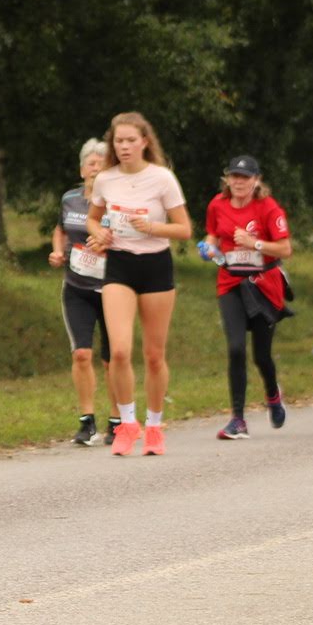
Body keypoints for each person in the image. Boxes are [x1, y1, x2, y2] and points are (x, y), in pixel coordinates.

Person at [85, 112, 191, 457]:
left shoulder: (162, 179)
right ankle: (127, 424)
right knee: (118, 351)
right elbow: (92, 219)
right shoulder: (105, 179)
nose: (125, 146)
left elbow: (184, 229)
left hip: (156, 267)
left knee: (154, 356)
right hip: (119, 265)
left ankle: (155, 426)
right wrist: (99, 233)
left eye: (131, 140)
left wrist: (152, 228)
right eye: (119, 141)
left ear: (145, 141)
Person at [202, 156, 292, 440]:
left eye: (245, 177)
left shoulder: (268, 208)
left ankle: (273, 395)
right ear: (227, 179)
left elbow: (285, 249)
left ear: (256, 180)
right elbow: (213, 234)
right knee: (236, 348)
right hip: (230, 283)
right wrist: (208, 247)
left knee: (262, 356)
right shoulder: (217, 204)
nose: (239, 182)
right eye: (234, 176)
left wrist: (255, 243)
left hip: (264, 285)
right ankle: (238, 419)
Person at [49, 139, 117, 446]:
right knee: (81, 354)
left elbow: (132, 239)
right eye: (91, 163)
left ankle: (117, 420)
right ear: (82, 169)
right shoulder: (70, 199)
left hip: (112, 288)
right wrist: (57, 251)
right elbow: (61, 229)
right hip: (76, 287)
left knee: (113, 359)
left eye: (102, 164)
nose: (96, 168)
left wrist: (108, 244)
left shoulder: (117, 202)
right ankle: (87, 421)